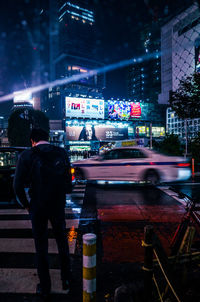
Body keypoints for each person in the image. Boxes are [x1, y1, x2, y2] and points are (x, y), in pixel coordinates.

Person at [13, 128, 73, 300]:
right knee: (62, 242)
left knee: (41, 246)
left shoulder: (27, 155)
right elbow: (68, 184)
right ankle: (66, 279)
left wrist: (27, 205)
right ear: (47, 138)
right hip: (57, 205)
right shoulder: (61, 153)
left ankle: (45, 287)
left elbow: (17, 186)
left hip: (37, 206)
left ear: (32, 140)